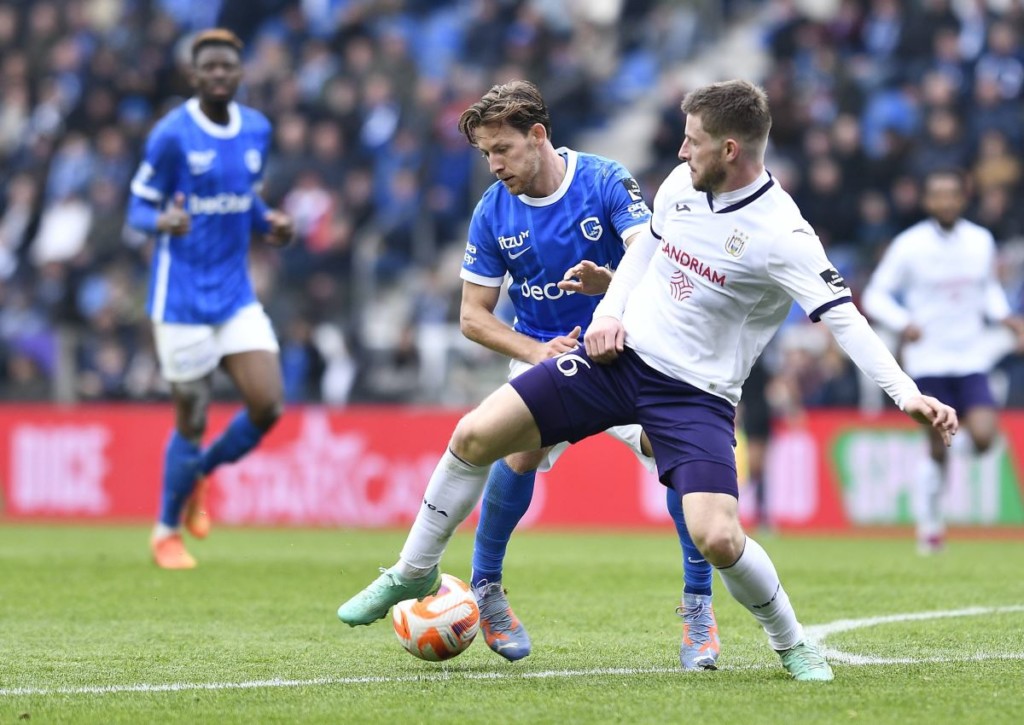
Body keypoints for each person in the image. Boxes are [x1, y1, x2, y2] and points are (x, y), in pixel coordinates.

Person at [337, 80, 959, 682]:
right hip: (621, 361)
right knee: (476, 435)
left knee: (719, 537)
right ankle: (414, 571)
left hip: (696, 396)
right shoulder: (681, 188)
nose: (681, 150)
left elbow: (844, 318)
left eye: (693, 141)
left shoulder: (784, 238)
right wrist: (609, 316)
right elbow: (643, 254)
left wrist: (907, 394)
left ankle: (790, 642)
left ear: (730, 149)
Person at [456, 80, 719, 669]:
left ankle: (698, 610)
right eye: (486, 154)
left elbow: (657, 257)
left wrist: (612, 284)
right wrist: (534, 352)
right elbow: (473, 316)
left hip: (626, 347)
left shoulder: (604, 180)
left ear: (538, 135)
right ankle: (486, 589)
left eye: (502, 149)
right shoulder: (491, 211)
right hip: (547, 353)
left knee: (671, 450)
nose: (495, 164)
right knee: (517, 452)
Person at [126, 29, 294, 569]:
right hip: (180, 300)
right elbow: (135, 207)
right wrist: (161, 220)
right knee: (192, 417)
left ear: (240, 74)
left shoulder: (257, 128)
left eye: (228, 67)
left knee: (268, 403)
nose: (219, 75)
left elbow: (246, 197)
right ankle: (165, 532)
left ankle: (198, 472)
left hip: (235, 295)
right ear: (193, 76)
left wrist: (269, 222)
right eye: (210, 68)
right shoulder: (171, 135)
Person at [862, 168, 1024, 555]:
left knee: (984, 438)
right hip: (928, 360)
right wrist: (904, 323)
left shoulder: (980, 240)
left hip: (970, 356)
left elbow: (987, 290)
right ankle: (931, 524)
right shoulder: (909, 245)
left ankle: (930, 477)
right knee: (939, 446)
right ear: (927, 200)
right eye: (939, 194)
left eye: (953, 194)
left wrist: (1006, 317)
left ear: (962, 198)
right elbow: (875, 296)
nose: (946, 201)